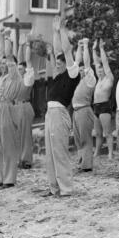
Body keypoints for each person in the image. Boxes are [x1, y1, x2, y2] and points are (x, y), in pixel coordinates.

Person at [41, 16, 80, 197]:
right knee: (50, 153)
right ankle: (54, 188)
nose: (56, 65)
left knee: (59, 152)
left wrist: (62, 30)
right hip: (50, 114)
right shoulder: (58, 75)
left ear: (66, 63)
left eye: (59, 63)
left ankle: (66, 188)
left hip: (60, 114)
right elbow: (58, 50)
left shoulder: (72, 73)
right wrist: (54, 31)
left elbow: (65, 49)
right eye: (56, 63)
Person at [0, 28, 34, 189]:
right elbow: (3, 53)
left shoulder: (14, 75)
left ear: (13, 65)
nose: (3, 65)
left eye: (6, 63)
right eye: (1, 63)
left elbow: (8, 55)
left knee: (8, 144)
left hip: (8, 109)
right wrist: (1, 37)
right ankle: (0, 177)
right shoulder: (1, 78)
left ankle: (9, 178)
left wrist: (8, 38)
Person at [72, 39, 97, 172]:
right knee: (78, 139)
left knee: (85, 138)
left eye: (83, 70)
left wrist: (86, 46)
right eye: (80, 70)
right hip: (76, 112)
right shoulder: (79, 80)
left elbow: (87, 63)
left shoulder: (90, 79)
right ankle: (81, 161)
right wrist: (79, 47)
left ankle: (87, 165)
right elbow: (76, 64)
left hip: (84, 110)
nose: (81, 71)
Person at [15, 35, 36, 169]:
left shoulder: (28, 78)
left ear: (25, 70)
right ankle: (20, 159)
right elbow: (18, 61)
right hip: (16, 108)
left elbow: (27, 61)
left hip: (25, 106)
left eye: (21, 69)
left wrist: (27, 45)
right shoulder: (16, 78)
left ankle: (27, 160)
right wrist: (20, 46)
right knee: (17, 135)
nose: (19, 70)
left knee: (26, 135)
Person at [93, 38, 115, 160]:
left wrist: (101, 49)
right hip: (95, 106)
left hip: (104, 106)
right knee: (97, 133)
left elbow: (104, 63)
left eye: (102, 71)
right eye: (99, 71)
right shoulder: (99, 79)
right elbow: (96, 63)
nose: (100, 72)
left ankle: (110, 153)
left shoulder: (109, 78)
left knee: (107, 132)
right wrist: (93, 49)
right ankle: (97, 152)